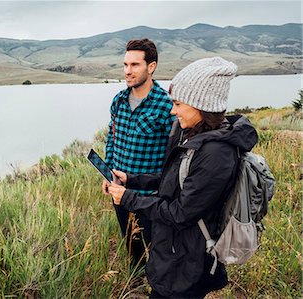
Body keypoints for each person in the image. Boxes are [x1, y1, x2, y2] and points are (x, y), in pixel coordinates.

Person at [106, 57, 259, 298]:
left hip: (187, 262)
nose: (172, 110)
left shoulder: (216, 154)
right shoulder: (192, 134)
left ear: (200, 105)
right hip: (174, 252)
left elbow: (180, 212)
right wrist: (132, 180)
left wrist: (129, 198)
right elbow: (173, 179)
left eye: (178, 103)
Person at [102, 39, 174, 265]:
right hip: (120, 191)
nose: (127, 71)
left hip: (149, 198)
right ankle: (134, 282)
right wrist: (108, 172)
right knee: (131, 244)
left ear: (150, 67)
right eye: (125, 65)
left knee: (155, 250)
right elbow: (112, 138)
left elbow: (174, 156)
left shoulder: (166, 105)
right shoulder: (119, 101)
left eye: (134, 65)